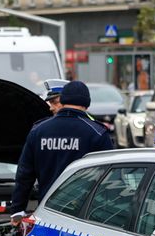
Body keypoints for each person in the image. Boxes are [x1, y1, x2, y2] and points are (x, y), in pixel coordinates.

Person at [10, 81, 113, 218]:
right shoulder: (97, 133)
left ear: (63, 100)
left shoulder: (39, 131)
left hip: (46, 212)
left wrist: (17, 210)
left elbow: (24, 175)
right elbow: (110, 180)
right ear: (86, 103)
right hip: (85, 216)